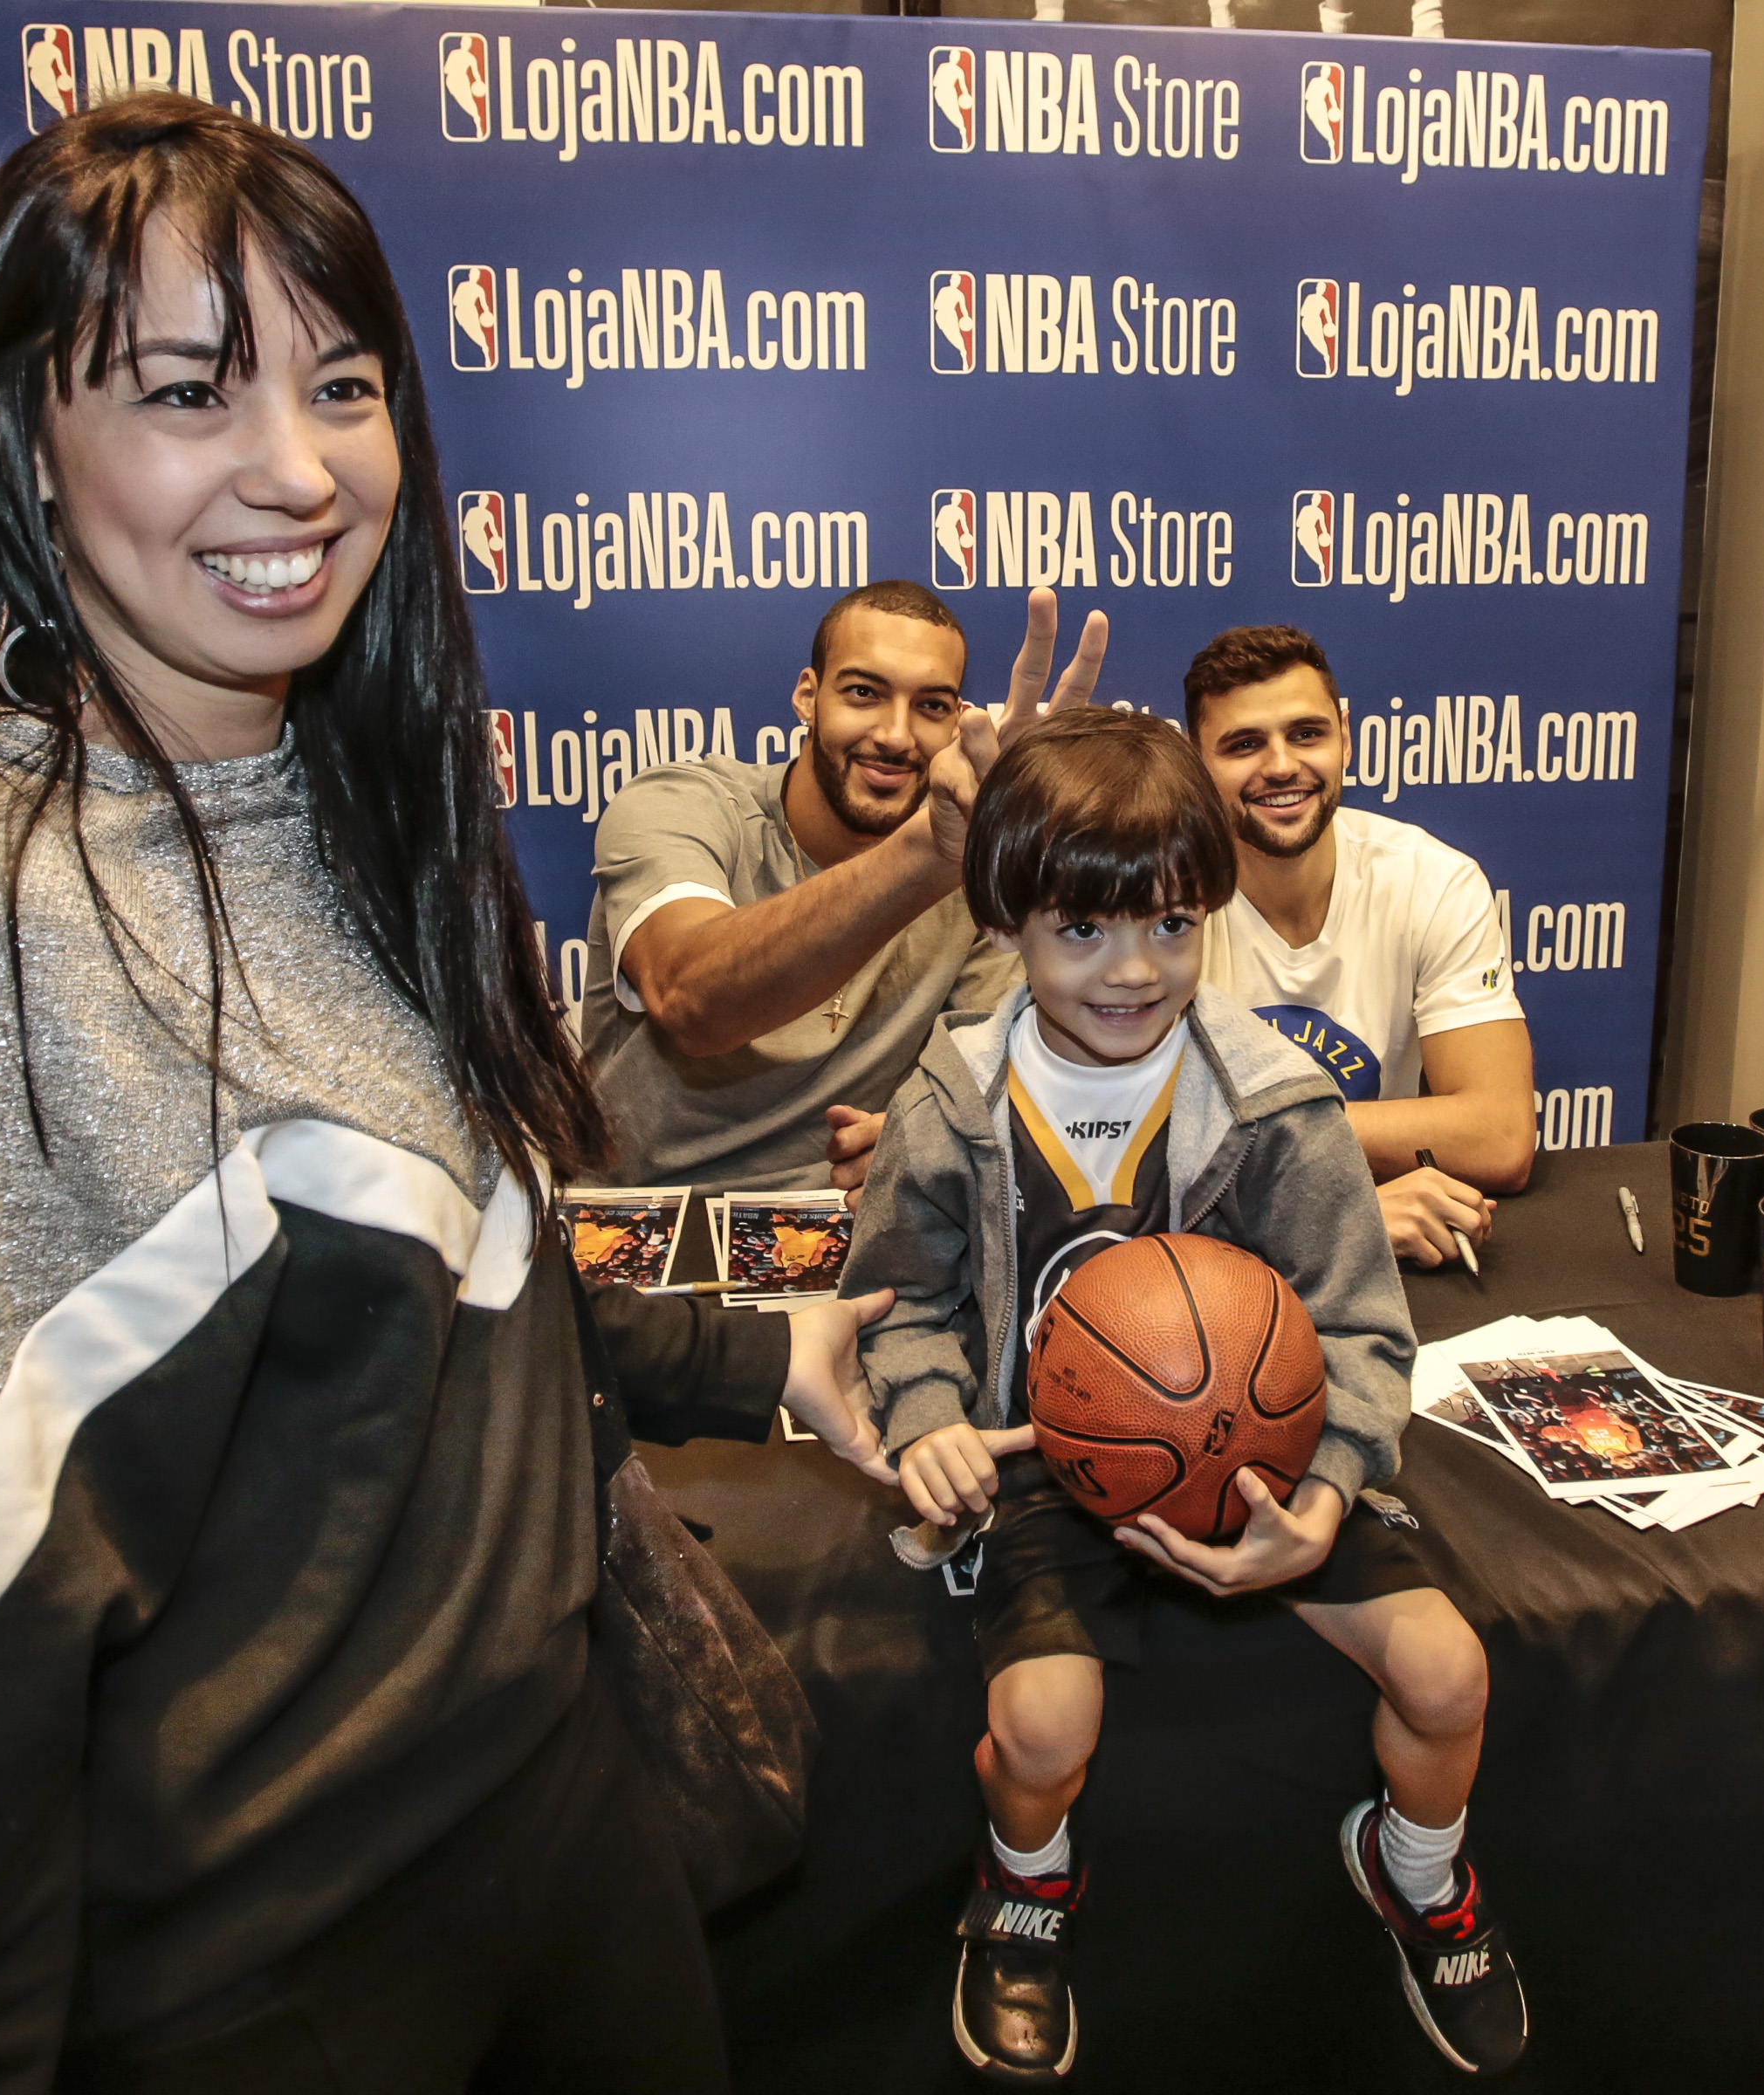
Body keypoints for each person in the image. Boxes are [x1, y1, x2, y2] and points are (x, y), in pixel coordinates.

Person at [0, 97, 897, 2092]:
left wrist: (757, 1349)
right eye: (191, 390)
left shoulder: (338, 789)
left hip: (553, 1824)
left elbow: (441, 1301)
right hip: (270, 1970)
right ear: (29, 437)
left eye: (340, 385)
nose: (297, 468)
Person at [839, 710, 1527, 2085]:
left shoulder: (1272, 1098)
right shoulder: (955, 1102)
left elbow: (1358, 1322)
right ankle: (1027, 1880)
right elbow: (899, 1305)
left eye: (1166, 924)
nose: (1132, 969)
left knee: (1450, 1675)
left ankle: (1419, 1867)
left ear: (1208, 910)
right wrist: (926, 1421)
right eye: (1080, 931)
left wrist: (1323, 1498)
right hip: (1041, 1461)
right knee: (1042, 1730)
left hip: (1255, 1456)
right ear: (1007, 924)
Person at [578, 580, 1104, 1192]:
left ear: (959, 721)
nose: (896, 736)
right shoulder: (682, 804)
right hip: (644, 1226)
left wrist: (929, 1134)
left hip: (863, 1233)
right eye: (864, 693)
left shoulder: (971, 863)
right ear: (808, 696)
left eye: (932, 706)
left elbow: (985, 1082)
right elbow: (691, 1001)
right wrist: (930, 850)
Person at [1185, 624, 1536, 1270]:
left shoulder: (1432, 880)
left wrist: (1241, 1132)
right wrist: (1344, 1204)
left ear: (1345, 737)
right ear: (1196, 763)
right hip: (1218, 1260)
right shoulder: (1161, 900)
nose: (1282, 765)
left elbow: (1500, 1136)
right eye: (1243, 744)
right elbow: (1135, 1147)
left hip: (1401, 1258)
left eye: (1306, 734)